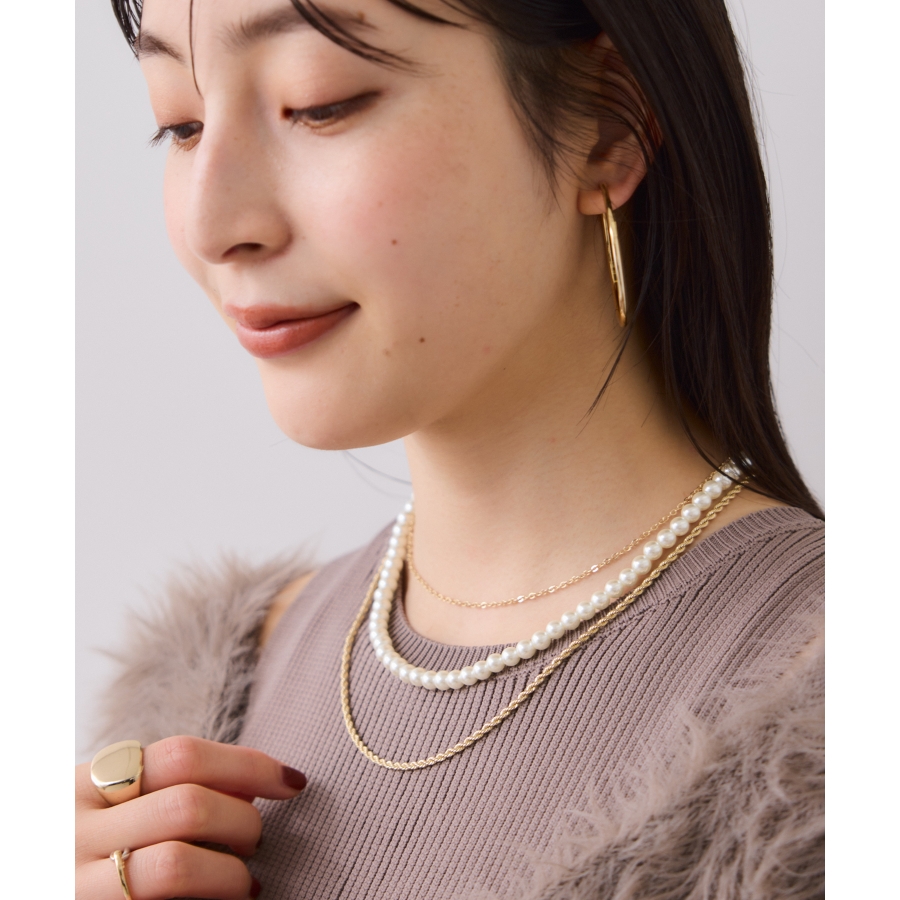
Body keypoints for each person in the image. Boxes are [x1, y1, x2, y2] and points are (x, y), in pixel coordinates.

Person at [76, 0, 824, 897]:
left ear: (606, 124)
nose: (213, 223)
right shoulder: (198, 720)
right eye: (181, 123)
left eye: (318, 104)